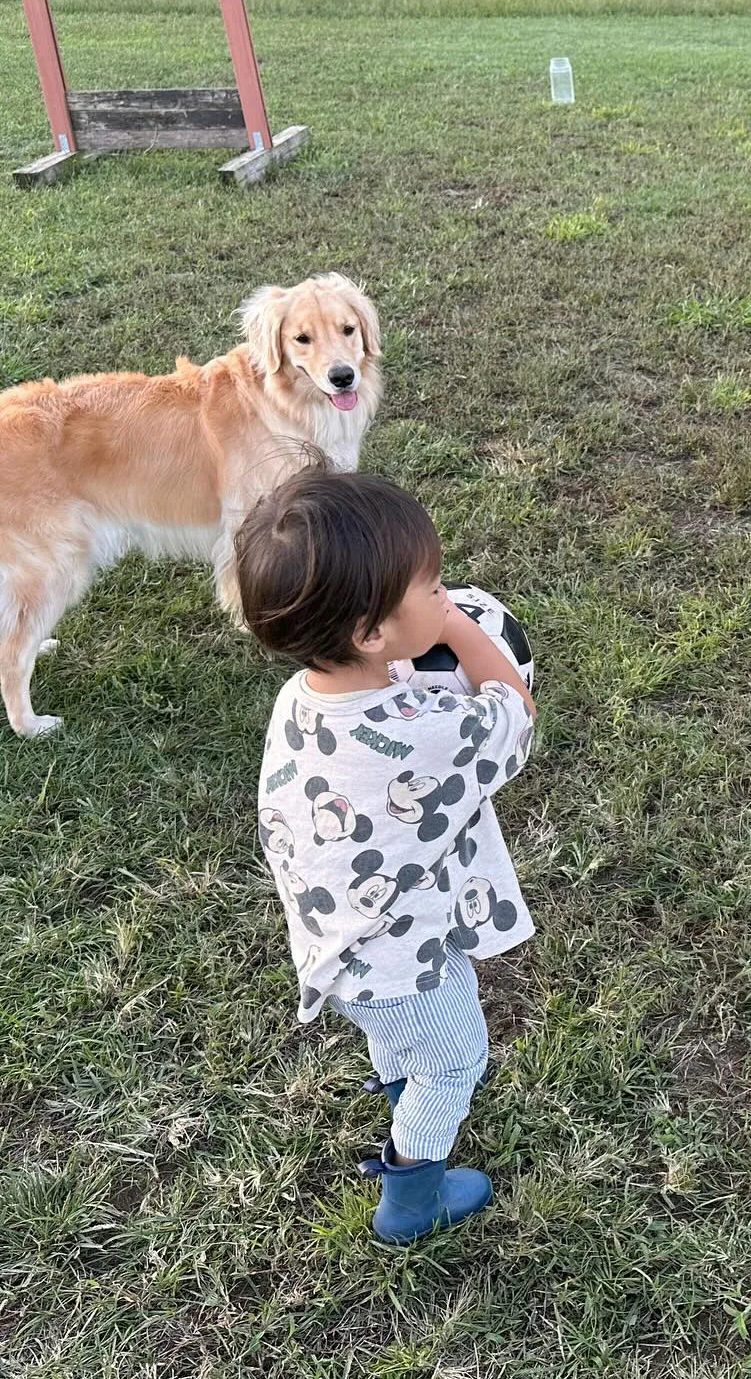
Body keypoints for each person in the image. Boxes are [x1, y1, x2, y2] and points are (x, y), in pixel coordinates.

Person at [235, 468, 537, 1245]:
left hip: (334, 940)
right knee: (456, 1061)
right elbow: (513, 713)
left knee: (403, 1037)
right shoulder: (423, 735)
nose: (447, 596)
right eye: (432, 586)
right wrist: (462, 633)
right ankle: (411, 1200)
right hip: (404, 956)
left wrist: (422, 629)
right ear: (369, 635)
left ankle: (402, 1078)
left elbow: (388, 687)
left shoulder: (306, 692)